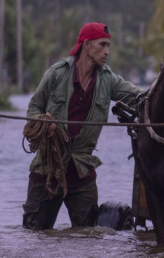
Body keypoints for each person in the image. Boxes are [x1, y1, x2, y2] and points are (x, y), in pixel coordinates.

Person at [22, 22, 143, 230]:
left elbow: (140, 98)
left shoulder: (108, 80)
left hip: (81, 173)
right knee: (35, 236)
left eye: (108, 46)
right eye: (102, 45)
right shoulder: (57, 73)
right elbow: (33, 107)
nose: (107, 51)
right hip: (47, 170)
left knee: (88, 238)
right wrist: (42, 123)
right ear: (86, 45)